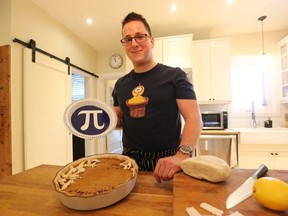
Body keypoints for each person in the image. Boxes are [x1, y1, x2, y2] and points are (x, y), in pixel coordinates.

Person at [112, 12, 202, 183]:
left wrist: (182, 155)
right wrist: (101, 117)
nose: (134, 43)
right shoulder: (120, 84)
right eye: (128, 39)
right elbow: (118, 120)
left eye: (140, 36)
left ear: (151, 41)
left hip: (168, 162)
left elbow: (194, 118)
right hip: (130, 162)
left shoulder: (175, 76)